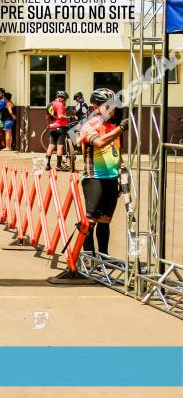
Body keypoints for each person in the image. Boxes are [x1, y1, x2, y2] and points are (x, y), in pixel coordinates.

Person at [53, 89, 128, 281]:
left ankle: (103, 258)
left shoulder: (112, 125)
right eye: (106, 106)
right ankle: (87, 259)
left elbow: (116, 152)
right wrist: (121, 128)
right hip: (94, 177)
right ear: (96, 107)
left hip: (111, 178)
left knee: (105, 221)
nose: (111, 109)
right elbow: (100, 143)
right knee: (90, 221)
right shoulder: (88, 125)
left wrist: (120, 176)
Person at [45, 90, 70, 171]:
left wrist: (49, 125)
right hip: (60, 127)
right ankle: (58, 166)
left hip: (53, 128)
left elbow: (47, 117)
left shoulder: (50, 104)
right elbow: (60, 116)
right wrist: (68, 117)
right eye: (65, 99)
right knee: (60, 147)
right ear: (63, 98)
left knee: (51, 146)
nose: (65, 101)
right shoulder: (60, 105)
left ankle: (47, 165)